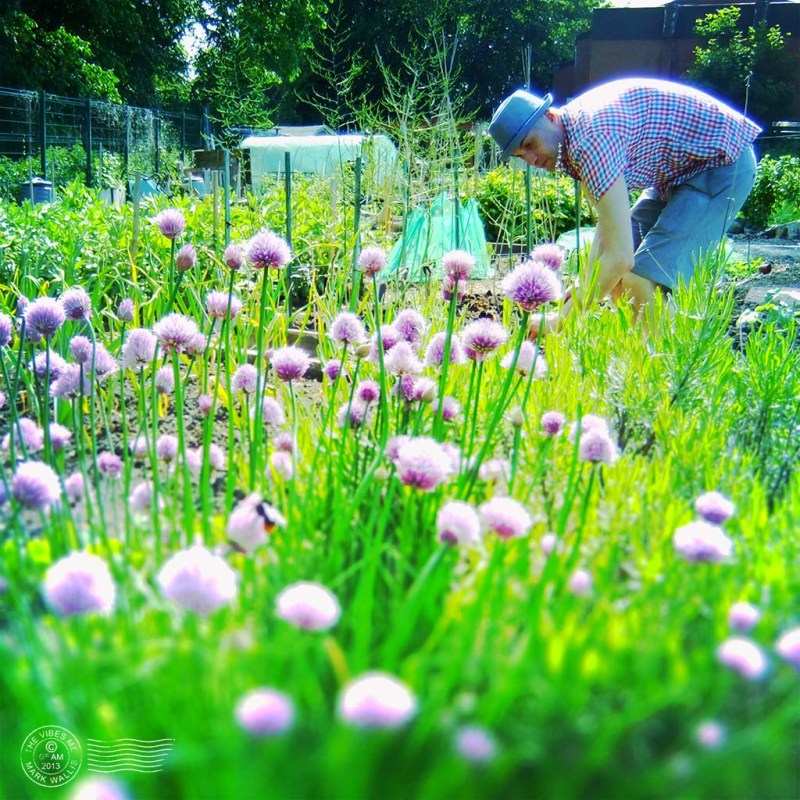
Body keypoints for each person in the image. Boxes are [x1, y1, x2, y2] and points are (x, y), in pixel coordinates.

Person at [488, 78, 760, 333]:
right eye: (521, 156)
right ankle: (637, 353)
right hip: (675, 176)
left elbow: (620, 257)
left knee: (641, 280)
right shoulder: (571, 143)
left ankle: (660, 371)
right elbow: (608, 231)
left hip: (722, 164)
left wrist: (561, 321)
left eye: (530, 144)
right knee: (618, 282)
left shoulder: (592, 137)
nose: (532, 160)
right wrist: (584, 284)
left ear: (549, 116)